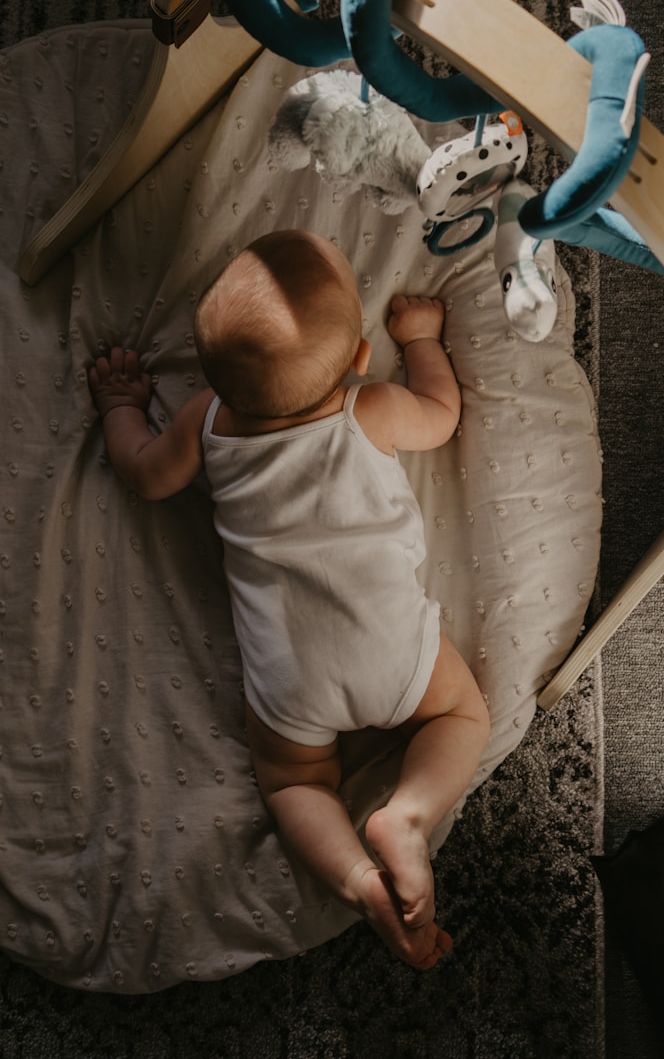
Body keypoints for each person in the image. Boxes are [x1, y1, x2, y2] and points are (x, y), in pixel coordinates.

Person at [88, 229, 490, 971]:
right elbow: (443, 413)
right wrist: (425, 340)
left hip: (291, 680)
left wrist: (120, 407)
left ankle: (355, 877)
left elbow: (143, 474)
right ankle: (408, 815)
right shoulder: (371, 409)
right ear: (360, 359)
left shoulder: (207, 423)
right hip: (392, 650)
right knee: (461, 714)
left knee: (295, 781)